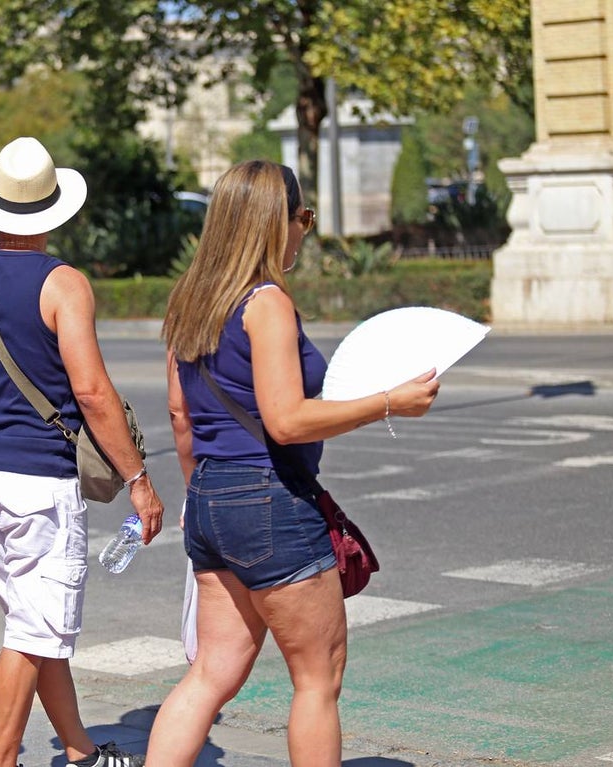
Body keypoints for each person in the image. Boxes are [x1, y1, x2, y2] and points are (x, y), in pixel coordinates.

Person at [145, 160, 440, 767]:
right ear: (273, 223)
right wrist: (390, 402)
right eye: (303, 217)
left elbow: (180, 416)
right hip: (269, 499)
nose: (305, 230)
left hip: (208, 496)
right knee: (317, 680)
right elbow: (285, 420)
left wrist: (197, 499)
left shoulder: (189, 302)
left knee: (210, 675)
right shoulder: (266, 302)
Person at [0, 136, 165, 767]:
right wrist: (139, 480)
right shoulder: (64, 284)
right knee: (34, 633)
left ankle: (80, 750)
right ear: (54, 209)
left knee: (36, 626)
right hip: (41, 484)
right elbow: (93, 393)